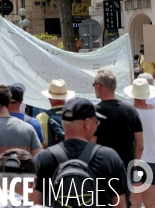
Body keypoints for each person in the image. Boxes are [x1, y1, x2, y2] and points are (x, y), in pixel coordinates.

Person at [32, 98, 128, 208]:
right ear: (87, 123)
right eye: (96, 122)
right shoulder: (110, 158)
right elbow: (120, 205)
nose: (97, 126)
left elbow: (35, 202)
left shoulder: (43, 158)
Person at [93, 68, 143, 170]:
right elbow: (140, 145)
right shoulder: (132, 110)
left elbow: (91, 143)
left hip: (103, 169)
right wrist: (133, 167)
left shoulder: (94, 112)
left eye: (94, 85)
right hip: (126, 169)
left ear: (99, 86)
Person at [124, 77, 155, 208]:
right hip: (153, 162)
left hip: (135, 162)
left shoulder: (127, 113)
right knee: (151, 204)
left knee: (134, 205)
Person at [37, 79, 75, 147]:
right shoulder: (76, 116)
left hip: (49, 155)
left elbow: (39, 144)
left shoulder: (41, 117)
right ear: (65, 98)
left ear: (49, 98)